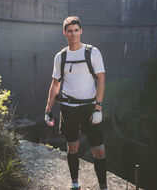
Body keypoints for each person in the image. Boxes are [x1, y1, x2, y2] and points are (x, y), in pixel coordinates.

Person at [45, 16, 108, 190]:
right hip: (68, 109)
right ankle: (75, 184)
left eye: (76, 30)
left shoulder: (92, 52)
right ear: (64, 33)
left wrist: (98, 108)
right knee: (72, 147)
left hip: (89, 108)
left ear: (81, 31)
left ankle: (104, 186)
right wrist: (48, 109)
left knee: (99, 150)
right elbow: (55, 83)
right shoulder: (61, 56)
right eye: (69, 31)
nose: (73, 34)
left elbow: (101, 79)